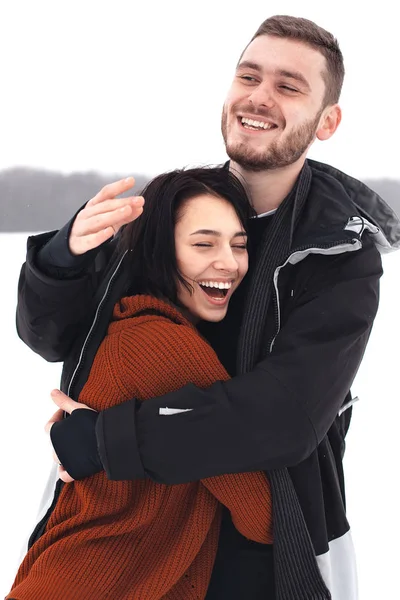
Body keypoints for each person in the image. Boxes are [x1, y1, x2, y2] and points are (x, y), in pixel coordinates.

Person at [14, 14, 400, 600]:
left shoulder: (337, 253)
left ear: (327, 122)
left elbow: (284, 416)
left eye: (288, 86)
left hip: (260, 551)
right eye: (249, 76)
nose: (259, 96)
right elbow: (56, 337)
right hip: (126, 532)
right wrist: (63, 258)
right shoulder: (169, 212)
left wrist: (106, 440)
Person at [8, 167, 277, 600]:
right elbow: (262, 515)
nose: (228, 261)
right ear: (160, 252)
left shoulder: (125, 323)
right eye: (203, 243)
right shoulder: (167, 346)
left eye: (239, 244)